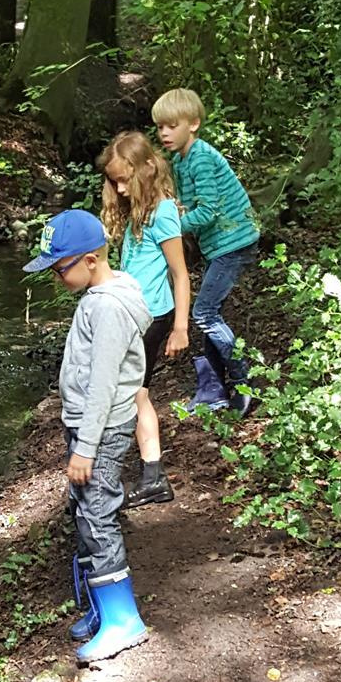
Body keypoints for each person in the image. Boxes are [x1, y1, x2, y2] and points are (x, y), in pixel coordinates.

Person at [23, 210, 152, 665]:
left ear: (92, 261)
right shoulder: (97, 298)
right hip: (86, 426)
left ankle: (124, 620)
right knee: (84, 510)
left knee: (98, 516)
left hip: (101, 429)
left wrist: (85, 447)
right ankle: (101, 607)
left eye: (60, 269)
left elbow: (103, 384)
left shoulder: (108, 308)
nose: (56, 277)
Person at [152, 88, 259, 417]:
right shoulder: (180, 160)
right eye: (160, 127)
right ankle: (213, 388)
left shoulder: (200, 157)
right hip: (221, 244)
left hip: (235, 241)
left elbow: (208, 211)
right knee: (211, 313)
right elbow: (189, 205)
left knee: (204, 314)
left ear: (194, 124)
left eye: (172, 126)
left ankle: (244, 382)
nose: (165, 133)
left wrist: (173, 228)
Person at [96, 131, 190, 508]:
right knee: (136, 394)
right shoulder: (139, 209)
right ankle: (150, 475)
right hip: (132, 313)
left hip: (150, 317)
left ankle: (151, 475)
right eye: (115, 182)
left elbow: (180, 274)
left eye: (124, 180)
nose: (119, 189)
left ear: (147, 168)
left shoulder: (162, 212)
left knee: (133, 394)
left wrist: (180, 327)